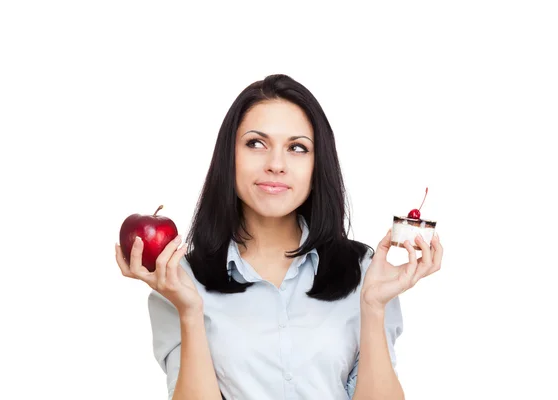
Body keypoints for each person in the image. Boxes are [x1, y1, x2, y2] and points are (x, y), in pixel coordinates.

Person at [115, 74, 443, 400]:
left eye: (297, 148)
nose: (276, 164)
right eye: (256, 143)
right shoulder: (179, 281)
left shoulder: (366, 272)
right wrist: (189, 312)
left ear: (318, 167)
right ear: (229, 158)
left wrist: (373, 306)